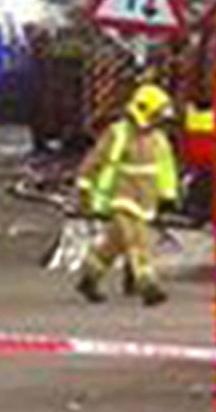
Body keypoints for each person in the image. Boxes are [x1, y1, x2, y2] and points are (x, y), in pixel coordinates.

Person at [75, 82, 179, 305]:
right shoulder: (117, 133)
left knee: (113, 244)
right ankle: (148, 285)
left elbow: (166, 168)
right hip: (120, 196)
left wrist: (168, 196)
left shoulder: (158, 139)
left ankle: (89, 277)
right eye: (157, 115)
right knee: (138, 240)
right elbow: (92, 163)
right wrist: (84, 190)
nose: (160, 121)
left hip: (147, 201)